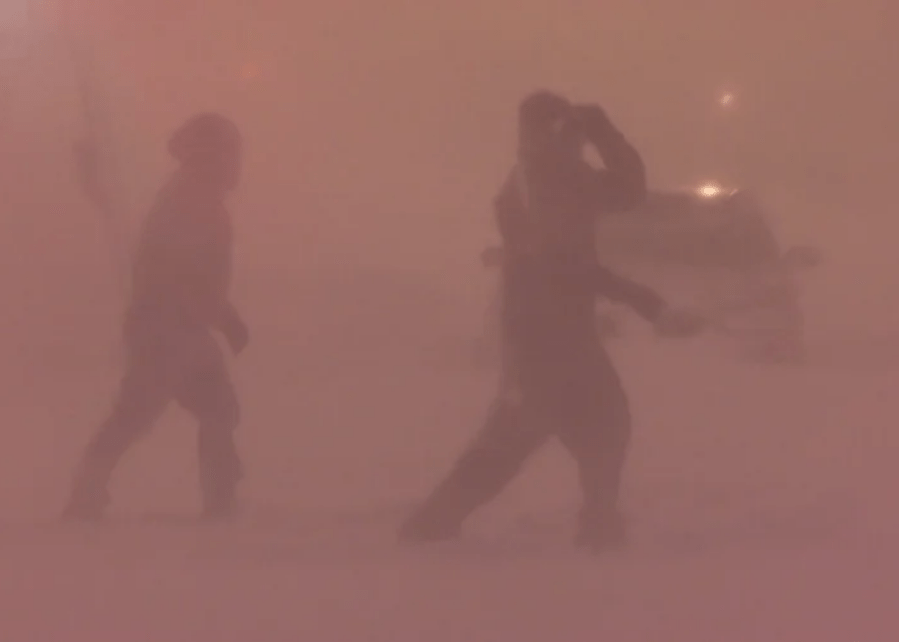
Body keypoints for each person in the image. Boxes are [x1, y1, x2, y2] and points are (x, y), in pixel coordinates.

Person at [398, 91, 702, 551]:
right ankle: (434, 524)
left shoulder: (558, 176)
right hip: (545, 333)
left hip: (558, 330)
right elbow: (567, 264)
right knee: (531, 434)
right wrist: (649, 304)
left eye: (576, 135)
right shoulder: (539, 184)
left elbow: (629, 191)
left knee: (591, 424)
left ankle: (594, 525)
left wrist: (604, 131)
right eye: (567, 132)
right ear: (544, 135)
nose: (576, 143)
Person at [63, 112, 249, 521]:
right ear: (211, 155)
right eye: (230, 153)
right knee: (136, 415)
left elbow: (199, 274)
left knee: (216, 409)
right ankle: (87, 492)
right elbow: (179, 270)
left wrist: (222, 314)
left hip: (184, 332)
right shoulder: (190, 200)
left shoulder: (195, 197)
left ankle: (220, 501)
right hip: (166, 332)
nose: (236, 163)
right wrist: (217, 315)